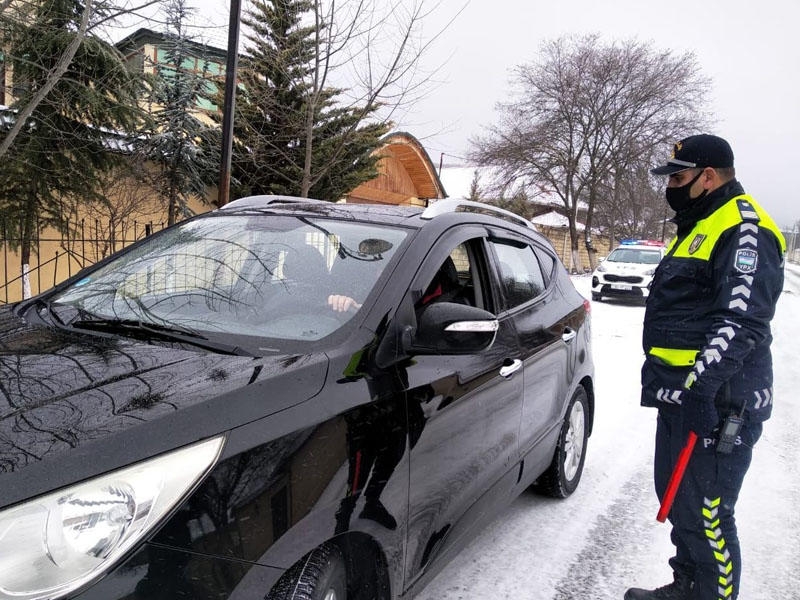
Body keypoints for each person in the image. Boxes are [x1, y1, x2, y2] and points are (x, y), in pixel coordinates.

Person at [625, 134, 786, 600]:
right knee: (681, 503)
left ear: (708, 176)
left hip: (719, 402)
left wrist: (700, 390)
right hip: (681, 397)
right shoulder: (702, 223)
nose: (670, 186)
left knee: (709, 513)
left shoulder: (744, 230)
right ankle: (687, 586)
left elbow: (740, 321)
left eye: (678, 177)